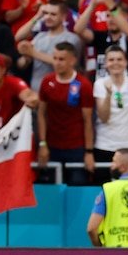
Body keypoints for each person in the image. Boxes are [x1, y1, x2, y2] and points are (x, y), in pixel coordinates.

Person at [37, 41, 96, 184]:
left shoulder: (84, 85)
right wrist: (42, 144)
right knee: (52, 187)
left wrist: (88, 152)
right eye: (55, 58)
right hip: (52, 146)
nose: (57, 63)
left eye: (61, 59)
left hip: (76, 147)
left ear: (73, 60)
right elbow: (41, 114)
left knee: (77, 185)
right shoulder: (47, 81)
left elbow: (88, 121)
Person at [93, 45, 128, 178]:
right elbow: (103, 117)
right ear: (105, 63)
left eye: (119, 59)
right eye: (111, 60)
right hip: (104, 146)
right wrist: (109, 94)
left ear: (126, 62)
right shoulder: (100, 84)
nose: (115, 63)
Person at [16, 0, 81, 92]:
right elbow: (22, 64)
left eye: (53, 14)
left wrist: (32, 52)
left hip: (61, 92)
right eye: (46, 13)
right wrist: (25, 56)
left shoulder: (72, 38)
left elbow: (64, 62)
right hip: (37, 91)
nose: (48, 17)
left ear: (63, 16)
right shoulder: (39, 37)